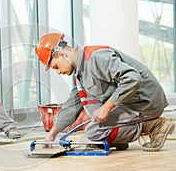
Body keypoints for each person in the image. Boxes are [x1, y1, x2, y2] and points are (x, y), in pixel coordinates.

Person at [35, 33, 175, 152]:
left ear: (62, 54)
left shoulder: (96, 57)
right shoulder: (81, 74)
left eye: (55, 67)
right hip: (133, 104)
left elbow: (132, 78)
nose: (59, 72)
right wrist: (52, 135)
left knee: (94, 132)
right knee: (94, 127)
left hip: (146, 103)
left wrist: (106, 107)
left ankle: (155, 125)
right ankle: (118, 140)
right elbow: (72, 106)